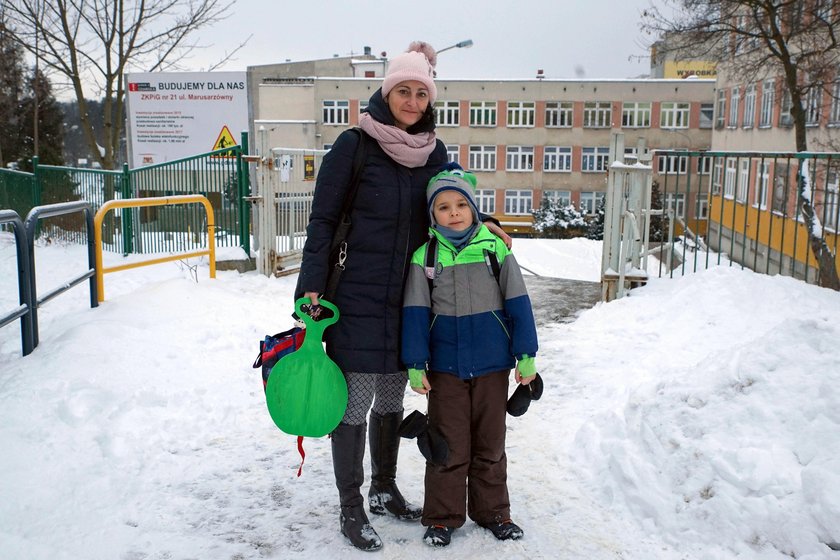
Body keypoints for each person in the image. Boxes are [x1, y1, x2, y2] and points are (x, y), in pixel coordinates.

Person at [295, 42, 511, 552]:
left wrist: (488, 225)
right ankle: (351, 507)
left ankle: (384, 488)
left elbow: (453, 205)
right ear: (386, 92)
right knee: (353, 404)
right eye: (403, 91)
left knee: (392, 397)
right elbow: (323, 220)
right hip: (354, 293)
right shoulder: (354, 145)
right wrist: (310, 287)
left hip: (412, 297)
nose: (412, 101)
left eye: (421, 92)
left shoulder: (434, 152)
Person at [401, 166, 539, 547]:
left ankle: (494, 511)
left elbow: (519, 304)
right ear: (432, 215)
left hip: (493, 366)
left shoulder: (495, 249)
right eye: (444, 207)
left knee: (491, 443)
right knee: (447, 444)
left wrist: (525, 355)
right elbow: (414, 312)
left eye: (462, 204)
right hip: (445, 369)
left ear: (475, 208)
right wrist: (415, 363)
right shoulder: (424, 256)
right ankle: (443, 517)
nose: (455, 212)